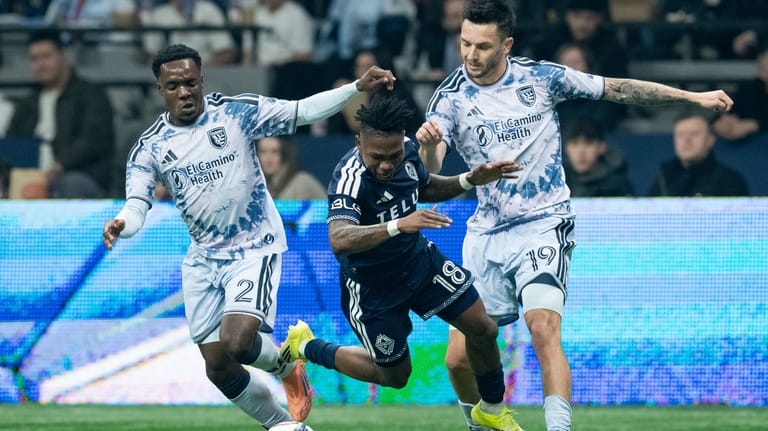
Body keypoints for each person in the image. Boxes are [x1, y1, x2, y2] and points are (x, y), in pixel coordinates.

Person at [415, 1, 734, 430]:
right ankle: (480, 424)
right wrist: (426, 144)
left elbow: (617, 88)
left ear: (507, 44)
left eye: (483, 46)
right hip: (486, 233)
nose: (471, 55)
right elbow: (430, 167)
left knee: (543, 328)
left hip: (544, 223)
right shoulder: (451, 97)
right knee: (457, 361)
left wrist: (691, 96)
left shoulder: (542, 78)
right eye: (465, 43)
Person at [101, 44, 396, 429]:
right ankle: (284, 425)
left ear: (202, 81)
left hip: (254, 246)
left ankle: (287, 362)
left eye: (190, 82)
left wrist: (355, 86)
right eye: (173, 86)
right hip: (204, 258)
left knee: (238, 342)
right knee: (218, 366)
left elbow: (301, 110)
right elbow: (137, 203)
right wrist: (123, 222)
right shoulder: (151, 147)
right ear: (160, 89)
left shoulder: (236, 113)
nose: (184, 92)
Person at [280, 95, 524, 431]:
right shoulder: (349, 178)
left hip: (420, 264)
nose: (385, 165)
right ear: (358, 142)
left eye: (392, 156)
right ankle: (306, 347)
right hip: (372, 289)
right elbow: (339, 239)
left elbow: (423, 186)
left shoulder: (409, 150)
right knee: (395, 376)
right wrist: (398, 225)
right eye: (376, 157)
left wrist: (469, 179)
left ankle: (492, 411)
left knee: (483, 328)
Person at [7, 29, 115, 198]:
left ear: (63, 56)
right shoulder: (27, 104)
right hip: (31, 177)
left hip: (78, 175)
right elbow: (11, 145)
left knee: (70, 183)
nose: (40, 65)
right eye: (34, 59)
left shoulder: (91, 94)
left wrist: (60, 165)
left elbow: (93, 140)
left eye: (46, 57)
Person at [648, 113, 748, 197]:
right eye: (681, 134)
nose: (687, 140)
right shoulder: (664, 178)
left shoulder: (729, 181)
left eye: (694, 134)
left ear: (710, 139)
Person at [141, 0, 235, 65]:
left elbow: (225, 53)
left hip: (205, 73)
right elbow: (150, 55)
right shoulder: (158, 15)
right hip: (169, 74)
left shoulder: (209, 10)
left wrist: (197, 72)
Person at [563, 119, 633, 197]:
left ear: (601, 147)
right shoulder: (558, 181)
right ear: (566, 148)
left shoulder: (617, 184)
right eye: (575, 143)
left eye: (588, 143)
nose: (581, 151)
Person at [712, 48, 768, 141]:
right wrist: (722, 121)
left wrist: (754, 125)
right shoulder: (750, 88)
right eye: (762, 69)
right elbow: (730, 110)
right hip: (744, 145)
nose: (762, 74)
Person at [257, 135, 326, 200]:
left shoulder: (302, 183)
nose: (268, 158)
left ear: (285, 155)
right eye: (263, 152)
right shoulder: (259, 186)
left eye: (274, 152)